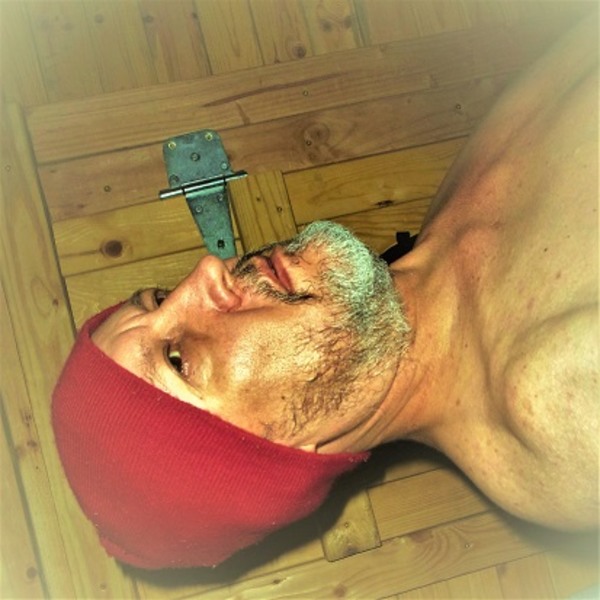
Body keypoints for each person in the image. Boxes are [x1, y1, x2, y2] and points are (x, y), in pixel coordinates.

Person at [52, 14, 598, 570]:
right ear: (279, 455)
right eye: (178, 358)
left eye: (159, 296)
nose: (206, 272)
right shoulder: (562, 398)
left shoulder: (436, 255)